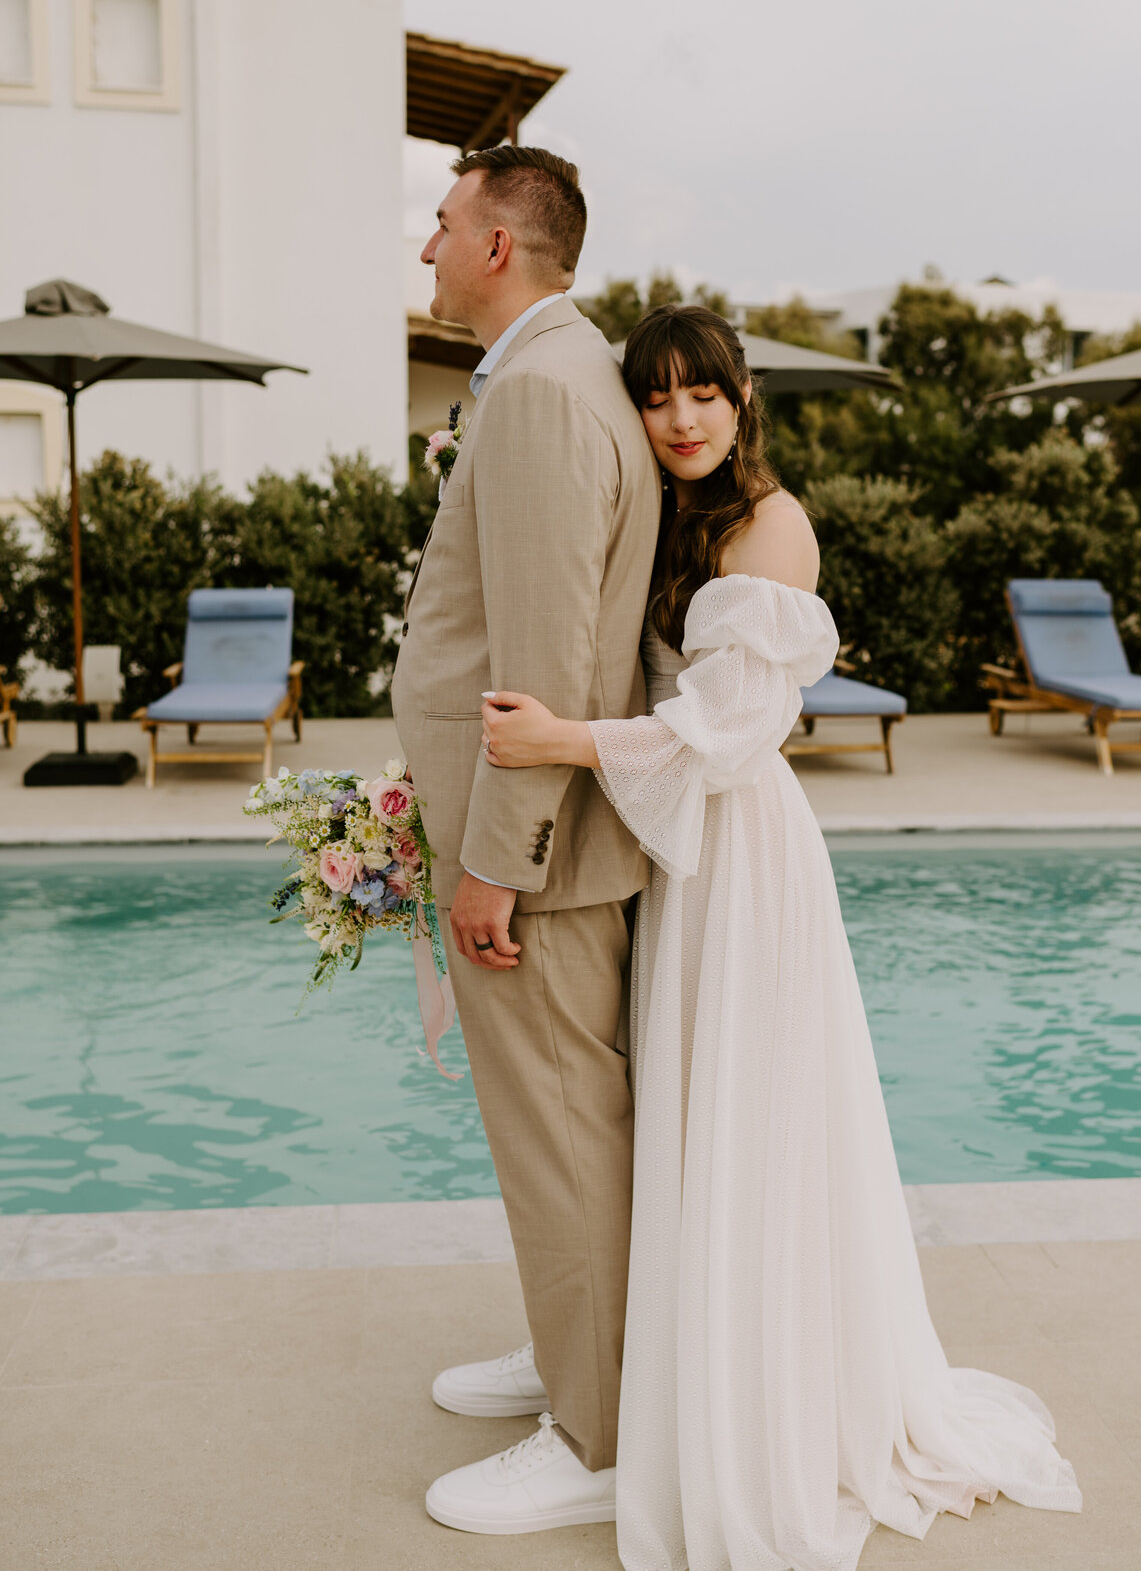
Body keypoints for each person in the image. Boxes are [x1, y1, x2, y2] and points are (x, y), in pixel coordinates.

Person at [481, 305, 1083, 1569]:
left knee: (747, 1117)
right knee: (681, 1112)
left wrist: (563, 742)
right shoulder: (668, 516)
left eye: (705, 394)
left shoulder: (771, 524)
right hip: (677, 854)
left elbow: (730, 727)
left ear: (745, 398)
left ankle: (747, 1395)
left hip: (742, 853)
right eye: (657, 400)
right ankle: (624, 1353)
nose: (683, 418)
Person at [391, 146, 660, 1532]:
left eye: (441, 223)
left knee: (562, 1133)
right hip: (515, 839)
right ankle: (572, 1347)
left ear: (499, 246)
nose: (425, 245)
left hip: (531, 864)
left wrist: (498, 857)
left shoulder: (548, 395)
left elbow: (544, 656)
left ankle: (598, 1433)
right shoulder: (549, 379)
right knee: (551, 1132)